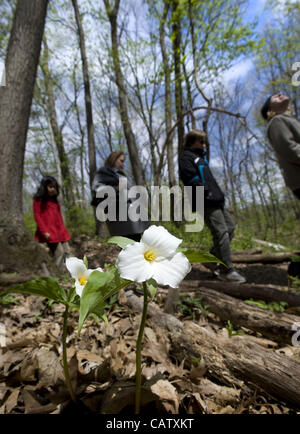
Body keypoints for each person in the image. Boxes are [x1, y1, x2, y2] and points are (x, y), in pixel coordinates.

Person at [179, 129, 246, 283]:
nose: (204, 145)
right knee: (221, 232)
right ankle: (226, 270)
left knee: (230, 228)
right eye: (201, 142)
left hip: (216, 199)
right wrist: (206, 193)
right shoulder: (186, 158)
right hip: (205, 200)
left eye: (204, 142)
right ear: (192, 142)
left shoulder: (201, 158)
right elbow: (190, 179)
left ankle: (210, 259)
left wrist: (218, 195)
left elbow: (210, 180)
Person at [91, 150, 149, 241]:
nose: (123, 164)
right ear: (113, 159)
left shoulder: (121, 174)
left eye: (124, 162)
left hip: (133, 216)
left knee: (137, 243)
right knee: (127, 245)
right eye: (121, 161)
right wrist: (116, 188)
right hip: (120, 216)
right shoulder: (103, 172)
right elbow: (98, 190)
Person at [261, 93, 300, 199]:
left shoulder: (289, 119)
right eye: (275, 97)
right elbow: (289, 148)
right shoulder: (276, 121)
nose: (280, 94)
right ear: (269, 109)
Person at [33, 176, 70, 270]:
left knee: (67, 252)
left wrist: (64, 231)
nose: (53, 189)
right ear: (44, 187)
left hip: (59, 232)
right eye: (50, 186)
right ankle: (57, 274)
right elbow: (37, 217)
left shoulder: (55, 201)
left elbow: (59, 218)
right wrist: (44, 231)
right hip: (49, 232)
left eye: (54, 187)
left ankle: (65, 272)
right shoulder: (38, 201)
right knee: (59, 252)